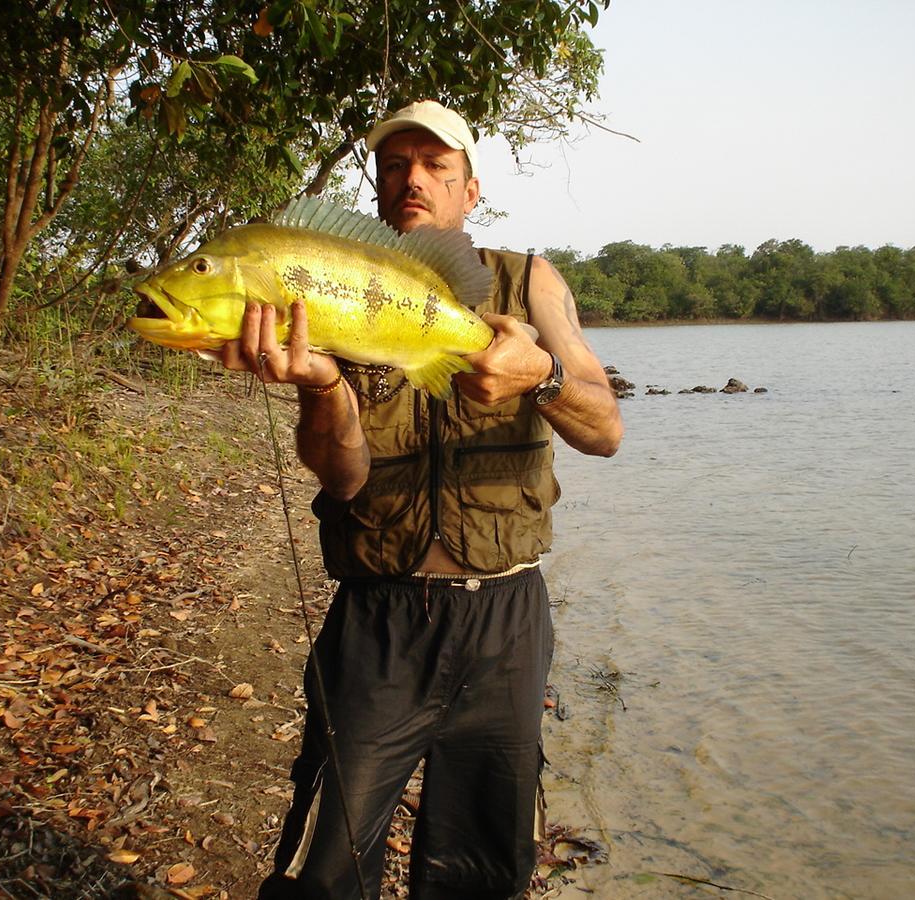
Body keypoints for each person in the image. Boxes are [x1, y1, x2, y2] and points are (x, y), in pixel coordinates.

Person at [220, 100, 623, 899]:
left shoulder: (528, 282)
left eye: (438, 166)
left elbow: (605, 428)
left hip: (506, 621)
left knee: (482, 865)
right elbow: (341, 479)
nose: (415, 180)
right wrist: (324, 384)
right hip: (378, 619)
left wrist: (540, 376)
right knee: (327, 862)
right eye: (396, 165)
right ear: (378, 188)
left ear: (470, 190)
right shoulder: (325, 290)